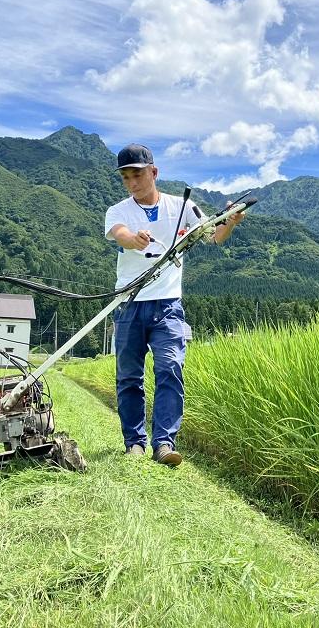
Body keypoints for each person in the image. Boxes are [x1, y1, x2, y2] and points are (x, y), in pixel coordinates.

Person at [105, 143, 244, 466]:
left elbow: (214, 235)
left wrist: (231, 221)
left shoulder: (182, 207)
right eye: (126, 177)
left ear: (153, 172)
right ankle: (134, 443)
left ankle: (164, 443)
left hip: (168, 305)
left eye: (137, 175)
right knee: (129, 377)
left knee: (170, 368)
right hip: (129, 303)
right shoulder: (119, 211)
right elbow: (120, 234)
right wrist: (133, 239)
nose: (132, 183)